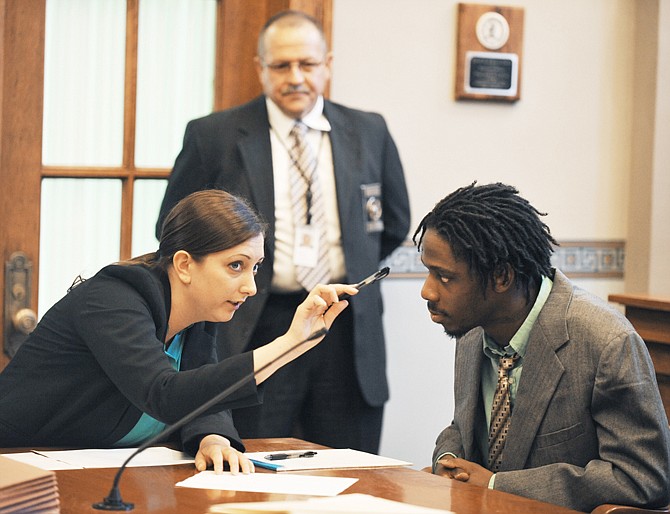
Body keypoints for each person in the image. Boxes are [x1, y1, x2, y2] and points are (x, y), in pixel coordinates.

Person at [155, 10, 410, 453]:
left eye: (308, 65)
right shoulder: (212, 135)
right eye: (281, 66)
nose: (295, 77)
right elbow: (172, 231)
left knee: (349, 476)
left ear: (327, 64)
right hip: (254, 325)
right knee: (253, 469)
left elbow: (393, 222)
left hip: (344, 332)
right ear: (260, 68)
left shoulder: (369, 130)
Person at [0, 190, 358, 474]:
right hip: (23, 464)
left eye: (256, 267)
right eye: (236, 266)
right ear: (185, 264)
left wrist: (214, 438)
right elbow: (164, 393)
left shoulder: (200, 313)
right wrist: (289, 343)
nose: (250, 286)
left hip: (102, 468)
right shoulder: (112, 299)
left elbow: (201, 389)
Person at [414, 182, 670, 512]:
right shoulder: (472, 332)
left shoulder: (605, 341)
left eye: (444, 276)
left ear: (502, 277)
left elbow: (643, 477)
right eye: (427, 272)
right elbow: (463, 427)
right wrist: (449, 458)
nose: (427, 291)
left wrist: (496, 486)